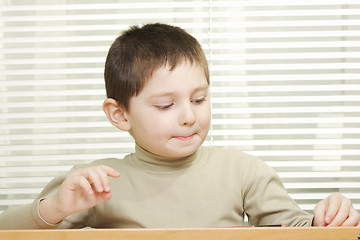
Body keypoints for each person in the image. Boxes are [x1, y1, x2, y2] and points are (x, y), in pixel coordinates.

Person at [0, 23, 359, 229]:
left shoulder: (244, 172)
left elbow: (297, 231)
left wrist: (330, 218)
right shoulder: (95, 183)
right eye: (165, 105)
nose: (189, 115)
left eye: (199, 99)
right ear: (120, 115)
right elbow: (9, 230)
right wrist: (54, 210)